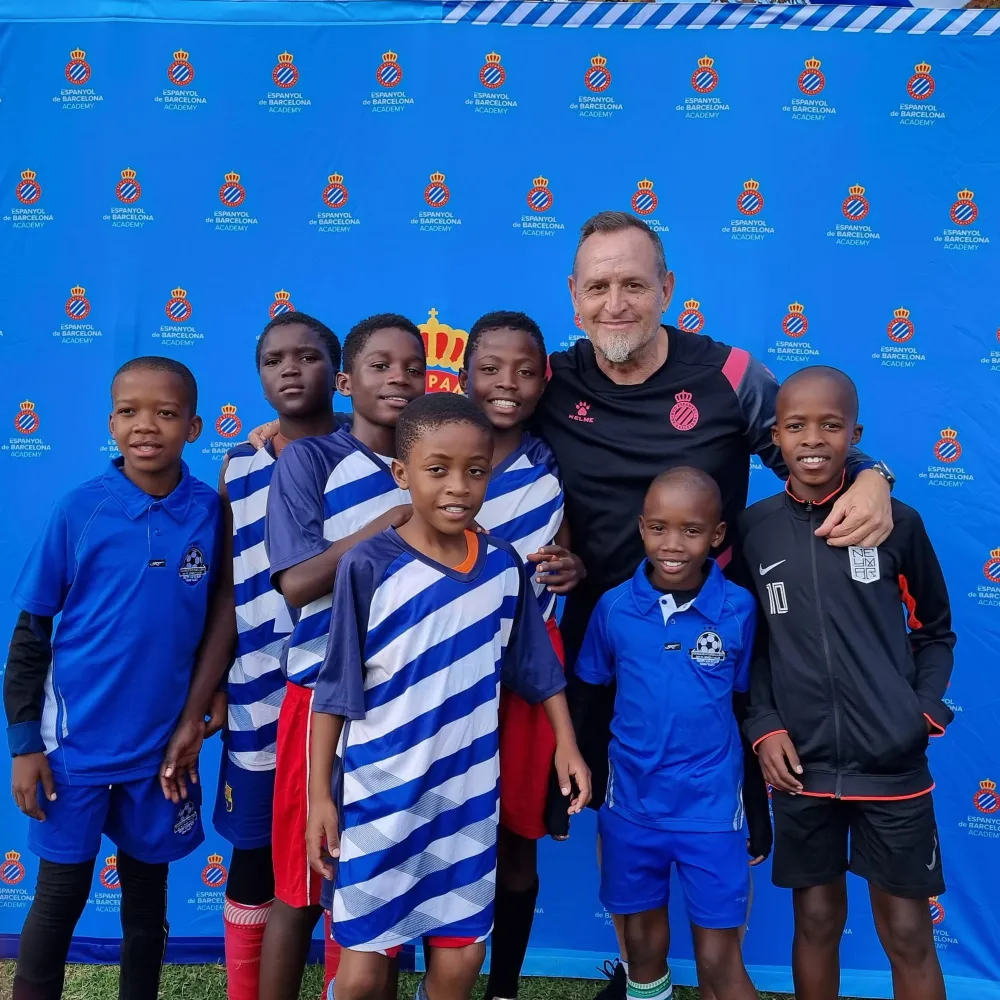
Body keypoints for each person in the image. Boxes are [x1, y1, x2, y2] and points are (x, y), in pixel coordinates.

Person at [531, 210, 895, 1000]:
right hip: (605, 645)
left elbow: (808, 444)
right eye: (598, 286)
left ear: (667, 289)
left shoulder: (729, 375)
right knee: (613, 820)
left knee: (721, 826)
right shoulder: (551, 381)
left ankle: (720, 973)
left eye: (634, 283)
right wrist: (301, 437)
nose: (616, 302)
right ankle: (643, 979)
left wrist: (874, 474)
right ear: (573, 296)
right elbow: (445, 428)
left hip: (714, 649)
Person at [305, 392, 592, 1000]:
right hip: (378, 798)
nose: (457, 487)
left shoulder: (502, 567)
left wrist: (567, 744)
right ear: (401, 474)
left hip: (466, 799)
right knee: (360, 974)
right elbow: (333, 695)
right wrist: (318, 801)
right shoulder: (368, 566)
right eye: (437, 470)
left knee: (460, 962)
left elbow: (536, 670)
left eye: (476, 470)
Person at [4, 357, 220, 1000]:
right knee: (59, 898)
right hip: (75, 751)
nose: (145, 426)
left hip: (162, 753)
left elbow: (218, 620)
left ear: (194, 426)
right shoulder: (81, 511)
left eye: (165, 412)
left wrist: (214, 696)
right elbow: (30, 636)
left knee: (147, 902)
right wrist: (24, 745)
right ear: (111, 422)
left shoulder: (210, 512)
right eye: (129, 412)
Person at [739, 366, 954, 1000]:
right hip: (801, 765)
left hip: (891, 766)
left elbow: (934, 629)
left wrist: (920, 715)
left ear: (855, 435)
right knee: (816, 918)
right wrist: (765, 724)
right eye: (796, 426)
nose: (812, 440)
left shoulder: (897, 522)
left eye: (830, 426)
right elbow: (754, 645)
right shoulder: (756, 529)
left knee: (908, 930)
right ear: (773, 436)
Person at [158, 313, 341, 1000]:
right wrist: (206, 691)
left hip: (345, 695)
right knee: (256, 851)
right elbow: (229, 590)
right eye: (273, 360)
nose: (290, 370)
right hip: (258, 692)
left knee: (346, 849)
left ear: (339, 371)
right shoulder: (240, 461)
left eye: (308, 357)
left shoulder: (376, 456)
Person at [259, 313, 426, 1000]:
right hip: (319, 698)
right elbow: (297, 583)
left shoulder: (431, 466)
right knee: (302, 882)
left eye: (413, 367)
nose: (399, 378)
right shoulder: (310, 459)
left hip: (398, 706)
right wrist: (390, 521)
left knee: (376, 885)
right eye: (382, 366)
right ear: (349, 381)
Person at [573, 467, 766, 1000]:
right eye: (659, 528)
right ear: (641, 528)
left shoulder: (739, 609)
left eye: (691, 530)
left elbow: (748, 704)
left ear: (718, 536)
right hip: (631, 804)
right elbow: (589, 698)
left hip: (710, 808)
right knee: (642, 947)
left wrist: (756, 803)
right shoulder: (613, 607)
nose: (673, 544)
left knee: (718, 958)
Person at [458, 310, 585, 1000]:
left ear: (545, 381)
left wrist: (576, 566)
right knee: (436, 832)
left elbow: (569, 548)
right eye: (491, 368)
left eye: (526, 370)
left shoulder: (551, 462)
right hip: (441, 678)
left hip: (525, 678)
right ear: (464, 375)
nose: (508, 383)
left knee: (516, 839)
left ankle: (502, 987)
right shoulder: (430, 442)